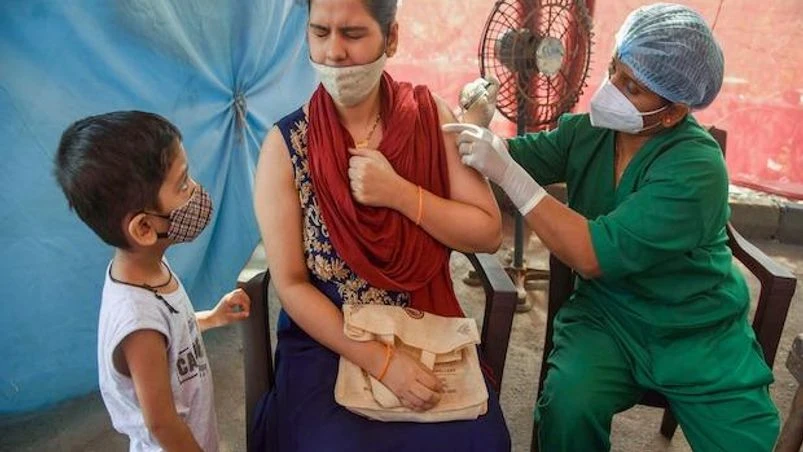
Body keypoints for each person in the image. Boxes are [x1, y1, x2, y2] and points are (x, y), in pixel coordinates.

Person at [445, 3, 780, 451]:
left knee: (750, 443)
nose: (612, 91)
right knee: (567, 407)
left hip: (696, 331)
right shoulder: (589, 133)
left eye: (633, 88)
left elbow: (591, 252)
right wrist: (476, 129)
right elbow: (513, 159)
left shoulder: (696, 168)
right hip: (607, 318)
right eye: (614, 71)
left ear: (673, 112)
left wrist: (505, 171)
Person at [251, 0, 511, 450]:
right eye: (319, 32)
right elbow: (292, 284)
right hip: (332, 333)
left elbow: (487, 231)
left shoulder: (429, 117)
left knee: (478, 442)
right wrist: (381, 362)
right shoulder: (287, 145)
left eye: (352, 34)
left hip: (425, 318)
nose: (333, 52)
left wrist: (400, 194)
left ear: (391, 38)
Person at [54, 111, 251, 452]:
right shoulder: (138, 323)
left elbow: (170, 341)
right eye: (183, 184)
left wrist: (211, 318)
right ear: (144, 228)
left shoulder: (148, 270)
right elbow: (162, 422)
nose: (195, 191)